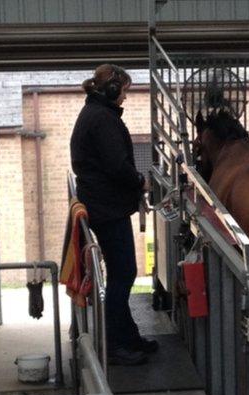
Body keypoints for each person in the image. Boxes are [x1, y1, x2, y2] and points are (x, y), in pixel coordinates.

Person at [70, 64, 159, 366]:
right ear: (111, 90)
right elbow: (116, 165)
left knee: (123, 273)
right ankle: (114, 345)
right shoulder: (102, 119)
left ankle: (128, 336)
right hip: (107, 209)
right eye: (124, 91)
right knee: (124, 274)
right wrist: (140, 181)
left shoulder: (95, 114)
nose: (125, 97)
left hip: (102, 205)